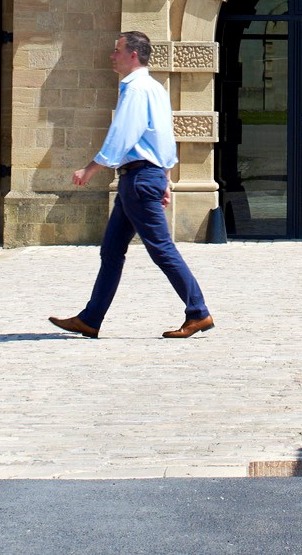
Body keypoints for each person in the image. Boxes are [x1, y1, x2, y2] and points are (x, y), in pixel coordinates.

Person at [49, 30, 216, 340]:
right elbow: (165, 137)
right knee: (112, 251)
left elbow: (122, 135)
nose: (112, 56)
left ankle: (198, 311)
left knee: (161, 248)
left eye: (117, 50)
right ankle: (90, 319)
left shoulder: (136, 90)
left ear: (133, 55)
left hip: (139, 179)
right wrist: (165, 178)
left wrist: (91, 168)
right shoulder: (155, 88)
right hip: (140, 179)